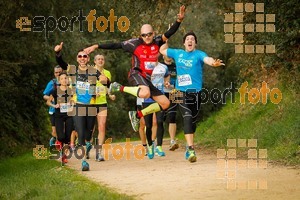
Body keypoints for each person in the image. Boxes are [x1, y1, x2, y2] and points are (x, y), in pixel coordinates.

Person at [83, 5, 186, 132]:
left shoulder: (157, 41)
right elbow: (116, 45)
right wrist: (96, 46)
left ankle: (137, 115)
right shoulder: (134, 44)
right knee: (145, 93)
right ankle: (118, 87)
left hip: (148, 79)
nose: (147, 37)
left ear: (153, 34)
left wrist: (179, 21)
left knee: (165, 103)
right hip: (136, 73)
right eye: (144, 35)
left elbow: (169, 33)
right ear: (140, 36)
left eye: (149, 34)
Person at [159, 31, 225, 162]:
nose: (190, 41)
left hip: (195, 93)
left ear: (195, 43)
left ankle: (189, 145)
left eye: (192, 39)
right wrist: (165, 40)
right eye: (187, 39)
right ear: (184, 43)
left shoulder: (199, 54)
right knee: (187, 116)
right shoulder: (177, 53)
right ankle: (190, 149)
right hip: (178, 92)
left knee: (192, 121)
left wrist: (213, 63)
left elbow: (208, 60)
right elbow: (162, 50)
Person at [54, 42, 100, 171]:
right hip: (78, 105)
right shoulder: (73, 69)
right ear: (77, 59)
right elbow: (61, 63)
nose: (82, 58)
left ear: (88, 58)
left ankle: (88, 142)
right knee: (80, 132)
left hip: (91, 106)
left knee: (88, 134)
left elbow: (103, 80)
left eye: (84, 56)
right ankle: (84, 161)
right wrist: (58, 53)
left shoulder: (93, 71)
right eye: (80, 56)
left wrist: (105, 82)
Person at [143, 61, 170, 159]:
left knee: (159, 121)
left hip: (160, 98)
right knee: (148, 125)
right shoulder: (144, 65)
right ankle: (150, 146)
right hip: (147, 99)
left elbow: (167, 76)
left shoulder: (164, 67)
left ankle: (159, 146)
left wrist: (166, 82)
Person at [46, 72, 74, 164]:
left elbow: (74, 100)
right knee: (61, 137)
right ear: (59, 80)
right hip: (58, 116)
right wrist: (55, 105)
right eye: (62, 78)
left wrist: (72, 103)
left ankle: (64, 156)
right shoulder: (55, 91)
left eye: (65, 78)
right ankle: (58, 141)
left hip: (69, 115)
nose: (64, 80)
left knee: (67, 137)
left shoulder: (71, 91)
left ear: (68, 79)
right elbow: (48, 102)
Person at [93, 54, 116, 162]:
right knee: (90, 129)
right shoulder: (89, 71)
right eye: (98, 59)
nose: (100, 61)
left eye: (102, 59)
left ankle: (98, 152)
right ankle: (88, 147)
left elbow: (107, 87)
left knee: (101, 127)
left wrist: (110, 95)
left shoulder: (107, 73)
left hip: (102, 103)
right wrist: (92, 93)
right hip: (90, 103)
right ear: (95, 61)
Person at [162, 56, 179, 151]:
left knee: (172, 116)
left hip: (175, 92)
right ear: (163, 56)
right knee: (161, 117)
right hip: (162, 92)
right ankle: (155, 141)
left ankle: (172, 141)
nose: (169, 57)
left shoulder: (176, 66)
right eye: (167, 55)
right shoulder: (160, 66)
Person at [43, 65, 62, 147]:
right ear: (54, 73)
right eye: (56, 72)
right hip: (54, 110)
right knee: (54, 131)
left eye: (59, 72)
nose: (58, 74)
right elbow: (44, 95)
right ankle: (54, 139)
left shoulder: (67, 82)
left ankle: (60, 146)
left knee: (63, 130)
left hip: (65, 110)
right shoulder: (52, 83)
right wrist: (53, 99)